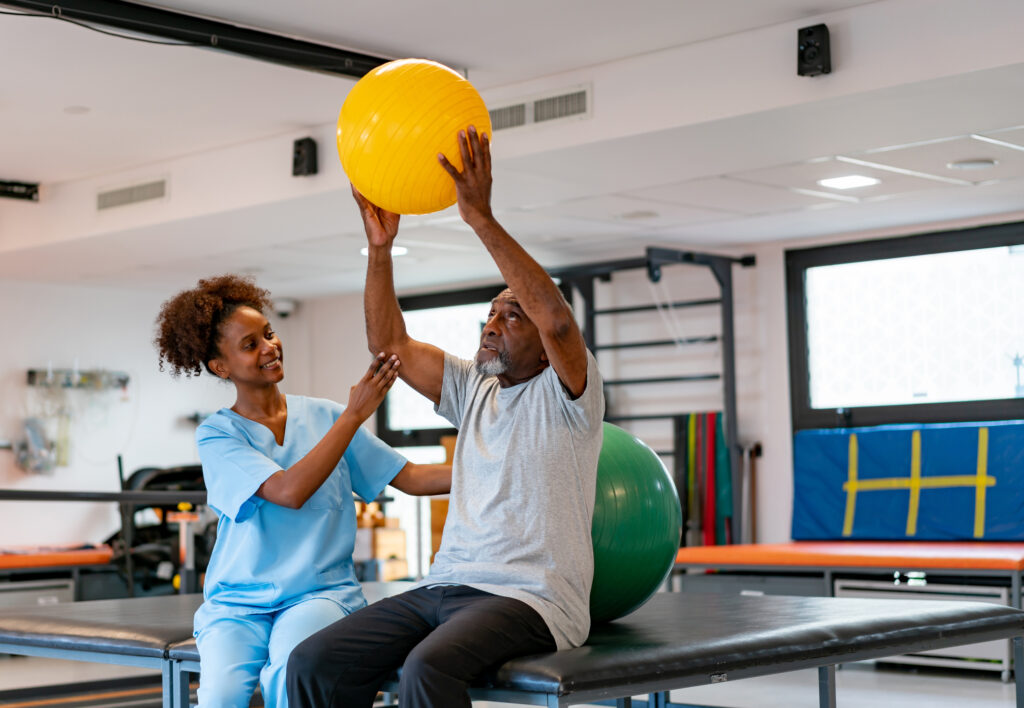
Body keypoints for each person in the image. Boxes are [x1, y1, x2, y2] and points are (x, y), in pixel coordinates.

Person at [287, 126, 605, 707]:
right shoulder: (472, 387)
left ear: (542, 341)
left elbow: (557, 320)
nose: (490, 325)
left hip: (531, 597)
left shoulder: (569, 394)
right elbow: (390, 344)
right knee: (313, 661)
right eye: (488, 315)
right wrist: (379, 250)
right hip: (445, 584)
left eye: (511, 316)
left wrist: (480, 217)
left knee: (426, 670)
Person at [154, 274, 451, 708]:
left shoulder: (326, 415)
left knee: (290, 676)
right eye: (250, 345)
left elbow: (411, 477)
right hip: (237, 602)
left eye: (269, 334)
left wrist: (494, 466)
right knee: (220, 697)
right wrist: (352, 417)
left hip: (318, 593)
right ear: (221, 367)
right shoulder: (219, 434)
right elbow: (288, 491)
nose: (269, 348)